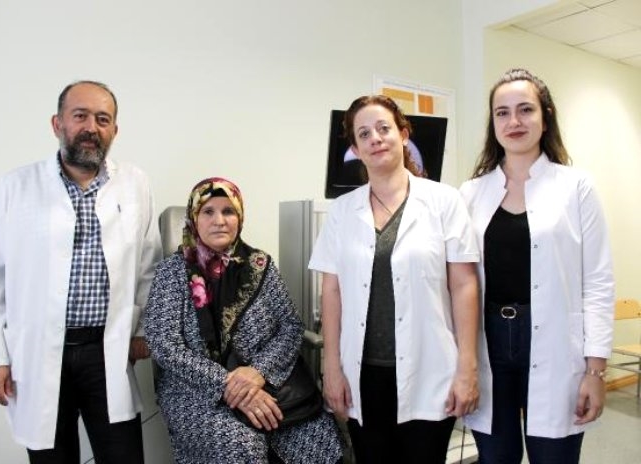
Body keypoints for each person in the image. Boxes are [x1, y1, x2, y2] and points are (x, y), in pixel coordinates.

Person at [0, 80, 163, 463]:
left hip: (107, 350)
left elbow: (149, 265)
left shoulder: (135, 183)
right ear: (57, 124)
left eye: (102, 119)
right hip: (39, 352)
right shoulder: (16, 187)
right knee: (52, 457)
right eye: (80, 116)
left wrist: (142, 330)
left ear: (115, 130)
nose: (91, 127)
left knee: (122, 455)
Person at [308, 95, 480, 463]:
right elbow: (331, 291)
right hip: (363, 374)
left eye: (384, 128)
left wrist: (467, 367)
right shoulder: (342, 211)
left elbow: (464, 286)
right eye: (364, 134)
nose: (375, 138)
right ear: (356, 149)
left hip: (430, 368)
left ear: (403, 134)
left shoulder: (444, 201)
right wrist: (331, 368)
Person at [459, 68, 615, 464]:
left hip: (556, 341)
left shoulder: (576, 187)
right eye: (502, 112)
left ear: (545, 117)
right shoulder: (471, 193)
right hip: (489, 339)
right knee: (496, 457)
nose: (514, 121)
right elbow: (458, 281)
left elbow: (598, 282)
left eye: (525, 109)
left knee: (554, 456)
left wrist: (596, 371)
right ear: (493, 123)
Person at [143, 177, 344, 463]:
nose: (219, 221)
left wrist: (258, 372)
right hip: (197, 391)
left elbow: (290, 325)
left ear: (240, 217)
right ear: (194, 218)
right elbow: (164, 345)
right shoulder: (171, 272)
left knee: (318, 438)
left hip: (266, 382)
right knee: (240, 446)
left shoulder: (260, 265)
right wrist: (226, 383)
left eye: (228, 211)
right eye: (208, 211)